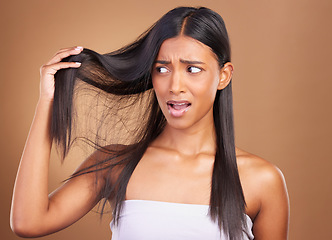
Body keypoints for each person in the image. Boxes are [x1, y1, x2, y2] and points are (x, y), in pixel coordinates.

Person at [10, 6, 289, 240]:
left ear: (224, 76)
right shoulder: (116, 164)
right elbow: (28, 222)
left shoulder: (262, 180)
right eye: (162, 69)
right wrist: (46, 101)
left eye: (193, 69)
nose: (175, 86)